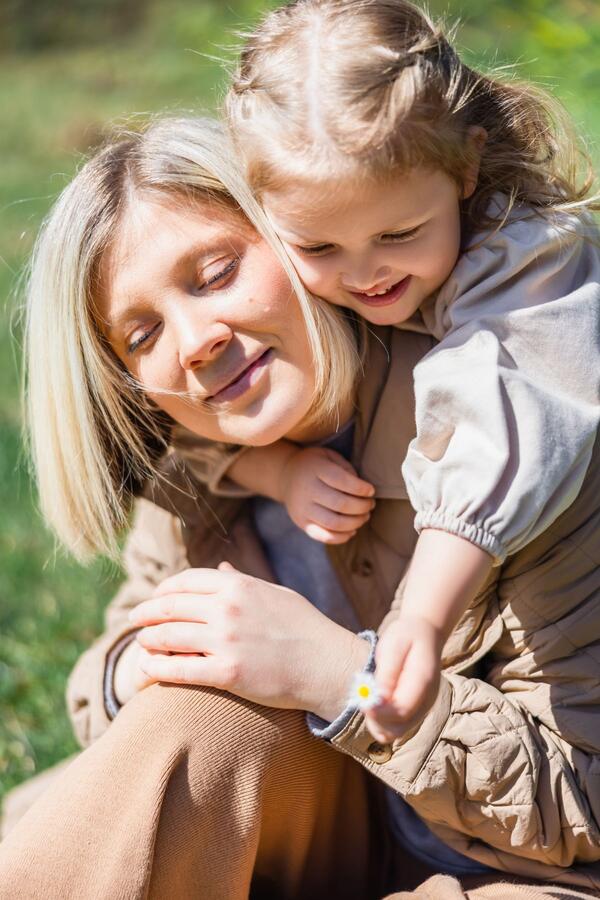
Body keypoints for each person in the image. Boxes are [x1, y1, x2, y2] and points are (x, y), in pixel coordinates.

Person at [0, 115, 599, 900]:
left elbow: (580, 806)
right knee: (190, 716)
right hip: (305, 839)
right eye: (141, 334)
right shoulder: (197, 468)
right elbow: (102, 688)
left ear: (298, 235)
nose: (193, 344)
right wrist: (146, 665)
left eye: (214, 274)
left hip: (516, 873)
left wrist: (338, 677)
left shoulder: (506, 427)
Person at [210, 0, 600, 744]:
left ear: (465, 167)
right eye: (319, 248)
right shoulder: (298, 281)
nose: (365, 273)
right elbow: (176, 434)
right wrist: (276, 469)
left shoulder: (532, 262)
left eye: (397, 233)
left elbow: (500, 415)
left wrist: (419, 616)